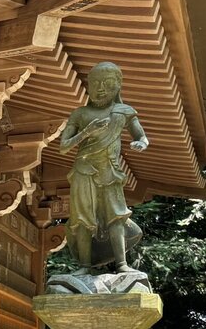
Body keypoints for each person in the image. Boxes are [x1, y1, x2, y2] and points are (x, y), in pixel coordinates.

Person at [60, 61, 148, 275]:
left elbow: (141, 135)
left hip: (109, 168)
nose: (100, 89)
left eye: (107, 83)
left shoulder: (123, 111)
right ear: (88, 87)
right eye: (95, 83)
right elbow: (64, 146)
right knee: (82, 217)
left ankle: (121, 264)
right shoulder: (80, 114)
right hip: (83, 169)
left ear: (118, 85)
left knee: (116, 216)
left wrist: (141, 143)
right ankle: (84, 266)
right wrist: (86, 132)